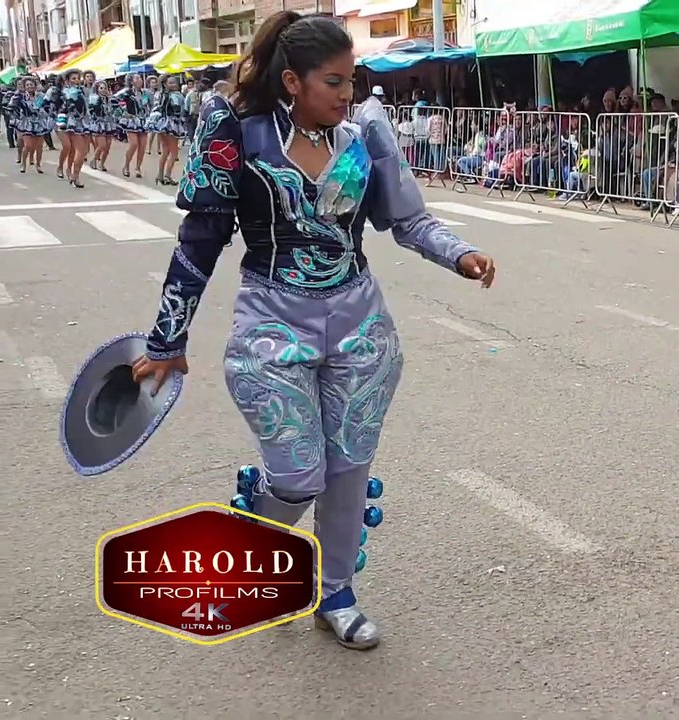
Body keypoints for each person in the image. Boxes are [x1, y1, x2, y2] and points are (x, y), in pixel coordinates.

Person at [130, 11, 498, 648]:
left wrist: (459, 254)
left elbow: (408, 222)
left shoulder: (364, 135)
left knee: (349, 467)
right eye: (335, 82)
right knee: (300, 475)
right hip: (271, 326)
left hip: (360, 326)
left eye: (352, 81)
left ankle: (335, 593)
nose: (348, 94)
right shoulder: (237, 132)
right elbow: (200, 241)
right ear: (294, 81)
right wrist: (168, 339)